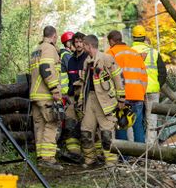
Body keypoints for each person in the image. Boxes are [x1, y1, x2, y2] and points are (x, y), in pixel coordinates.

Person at [78, 34, 125, 167]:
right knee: (86, 132)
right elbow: (84, 84)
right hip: (90, 100)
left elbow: (119, 79)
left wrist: (121, 99)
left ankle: (111, 162)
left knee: (106, 133)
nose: (82, 47)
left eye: (84, 45)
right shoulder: (86, 62)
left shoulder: (106, 58)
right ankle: (90, 159)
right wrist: (81, 101)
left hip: (105, 101)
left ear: (89, 46)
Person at [30, 26, 63, 170]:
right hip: (46, 94)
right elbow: (46, 68)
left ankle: (40, 156)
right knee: (52, 123)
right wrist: (55, 89)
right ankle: (48, 158)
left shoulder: (35, 50)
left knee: (40, 126)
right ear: (54, 36)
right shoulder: (49, 48)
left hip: (35, 94)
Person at [106, 30, 147, 143]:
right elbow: (144, 76)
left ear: (111, 41)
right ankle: (142, 157)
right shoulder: (134, 53)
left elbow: (107, 77)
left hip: (122, 97)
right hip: (138, 95)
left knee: (121, 126)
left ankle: (124, 158)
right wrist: (142, 93)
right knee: (138, 127)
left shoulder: (111, 53)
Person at [130, 25, 167, 144]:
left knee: (134, 119)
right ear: (144, 37)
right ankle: (150, 148)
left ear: (133, 37)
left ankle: (133, 146)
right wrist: (157, 85)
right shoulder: (154, 52)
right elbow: (163, 73)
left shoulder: (128, 52)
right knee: (152, 120)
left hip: (135, 90)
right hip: (152, 90)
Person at [60, 32, 87, 162]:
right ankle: (74, 153)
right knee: (70, 124)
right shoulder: (70, 60)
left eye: (81, 42)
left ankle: (94, 156)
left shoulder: (88, 59)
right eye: (76, 42)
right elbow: (68, 80)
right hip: (71, 98)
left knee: (88, 127)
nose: (78, 44)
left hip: (86, 99)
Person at [59, 31, 74, 96]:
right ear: (68, 43)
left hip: (62, 89)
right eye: (73, 42)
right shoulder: (66, 55)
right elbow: (72, 72)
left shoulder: (62, 53)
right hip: (66, 90)